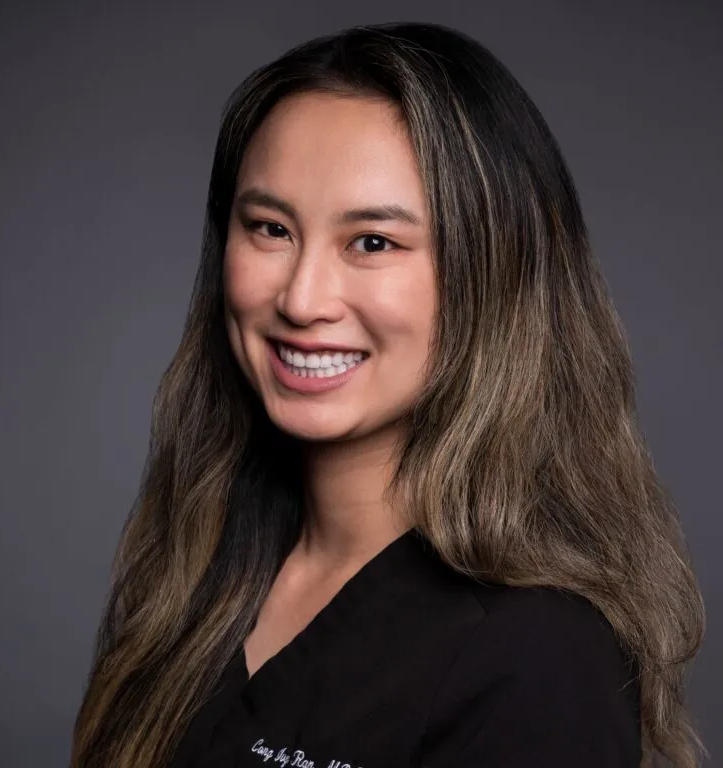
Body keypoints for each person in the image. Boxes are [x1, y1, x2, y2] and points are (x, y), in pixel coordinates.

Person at [70, 21, 706, 768]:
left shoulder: (538, 656)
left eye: (372, 242)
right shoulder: (193, 571)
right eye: (271, 228)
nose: (302, 299)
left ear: (492, 275)